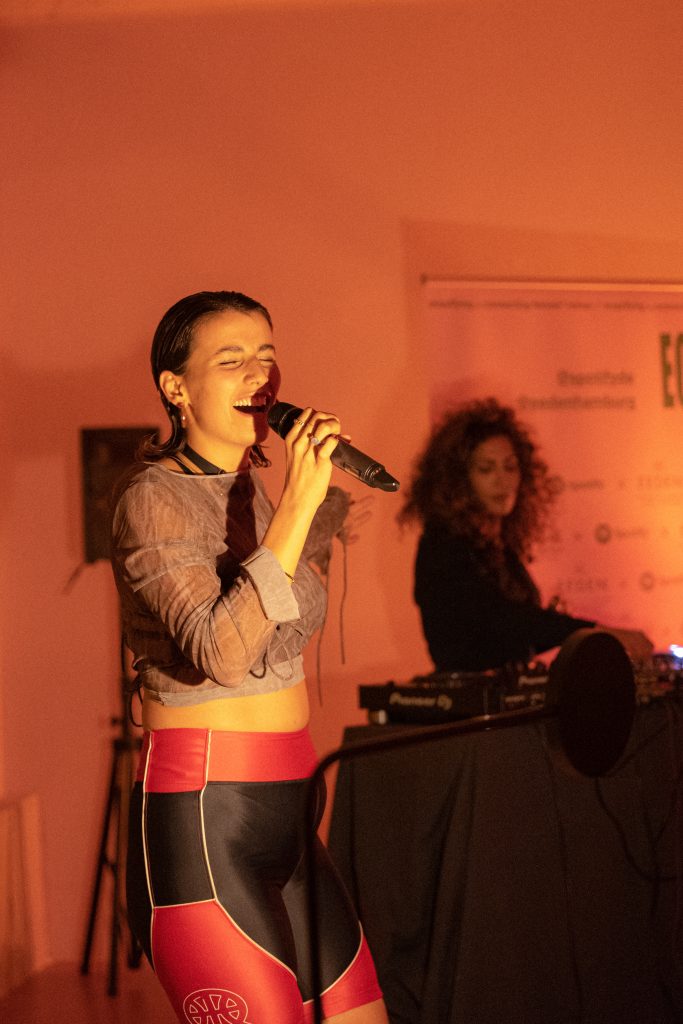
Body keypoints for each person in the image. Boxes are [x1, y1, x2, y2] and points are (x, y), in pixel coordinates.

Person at [110, 291, 387, 1024]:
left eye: (266, 355)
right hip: (207, 821)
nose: (258, 373)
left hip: (291, 813)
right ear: (175, 387)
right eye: (230, 359)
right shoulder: (152, 498)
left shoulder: (253, 492)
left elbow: (283, 633)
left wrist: (304, 513)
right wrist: (300, 506)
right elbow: (225, 655)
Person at [399, 397, 653, 673]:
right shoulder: (443, 546)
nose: (502, 480)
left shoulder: (498, 545)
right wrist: (593, 631)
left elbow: (517, 636)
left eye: (510, 467)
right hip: (475, 706)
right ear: (459, 479)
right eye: (486, 469)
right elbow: (503, 620)